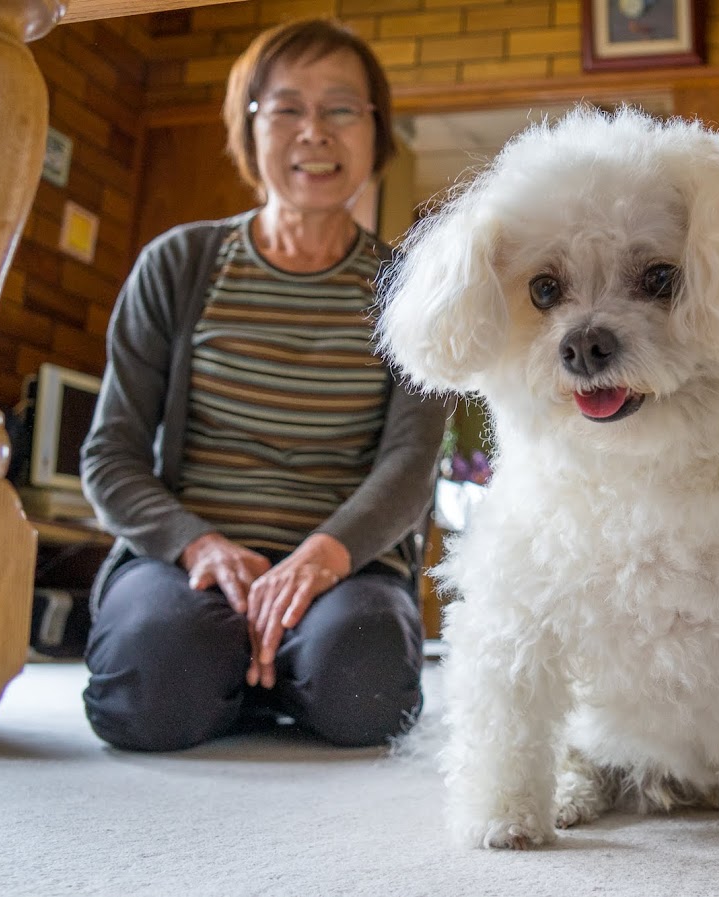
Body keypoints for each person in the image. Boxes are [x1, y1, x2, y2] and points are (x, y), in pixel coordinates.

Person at [80, 17, 446, 752]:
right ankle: (244, 664)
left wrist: (318, 557)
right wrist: (200, 547)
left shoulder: (412, 290)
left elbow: (409, 470)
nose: (315, 131)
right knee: (147, 689)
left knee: (367, 690)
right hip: (188, 563)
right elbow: (110, 456)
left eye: (342, 108)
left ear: (377, 131)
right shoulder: (179, 264)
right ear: (250, 129)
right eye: (286, 108)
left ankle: (261, 668)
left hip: (345, 567)